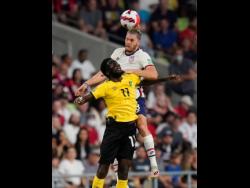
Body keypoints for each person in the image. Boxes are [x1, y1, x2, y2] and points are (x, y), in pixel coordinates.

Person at [75, 29, 160, 177]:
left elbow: (153, 75)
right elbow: (103, 72)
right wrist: (87, 83)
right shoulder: (117, 53)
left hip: (134, 96)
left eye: (131, 40)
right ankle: (118, 178)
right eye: (127, 39)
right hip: (116, 95)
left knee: (141, 124)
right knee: (115, 132)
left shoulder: (142, 56)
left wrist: (132, 71)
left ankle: (154, 166)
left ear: (138, 42)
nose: (128, 42)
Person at [75, 58, 140, 188]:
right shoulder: (105, 86)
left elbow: (148, 80)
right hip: (114, 128)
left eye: (115, 63)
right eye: (111, 65)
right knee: (104, 166)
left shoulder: (131, 77)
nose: (115, 65)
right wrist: (79, 99)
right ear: (107, 73)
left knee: (124, 167)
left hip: (130, 128)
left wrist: (165, 79)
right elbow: (85, 98)